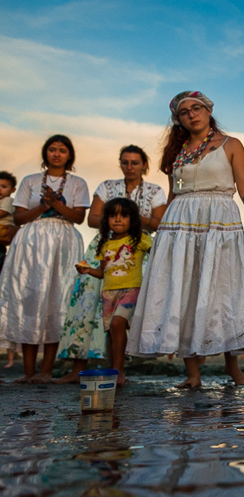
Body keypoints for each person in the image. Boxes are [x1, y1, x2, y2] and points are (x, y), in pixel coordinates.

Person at [127, 91, 244, 388]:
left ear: (208, 110)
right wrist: (163, 235)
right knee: (183, 289)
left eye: (197, 108)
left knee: (224, 290)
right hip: (180, 223)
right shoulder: (176, 153)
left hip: (219, 220)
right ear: (178, 119)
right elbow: (173, 194)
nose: (192, 114)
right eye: (185, 111)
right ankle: (193, 374)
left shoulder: (230, 144)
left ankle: (233, 366)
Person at [56, 145, 167, 383]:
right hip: (104, 247)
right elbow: (92, 219)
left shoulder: (155, 190)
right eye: (125, 162)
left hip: (139, 249)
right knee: (87, 306)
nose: (129, 167)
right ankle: (78, 369)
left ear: (144, 165)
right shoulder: (106, 187)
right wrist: (117, 218)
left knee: (128, 316)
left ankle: (121, 369)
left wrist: (132, 220)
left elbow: (159, 223)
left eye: (135, 162)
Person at [0, 135, 90, 383]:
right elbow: (18, 218)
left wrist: (55, 204)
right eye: (52, 149)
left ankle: (46, 372)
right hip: (31, 241)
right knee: (30, 300)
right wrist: (42, 206)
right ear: (45, 153)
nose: (57, 154)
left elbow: (79, 217)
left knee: (56, 301)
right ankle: (28, 372)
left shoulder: (77, 183)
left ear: (69, 155)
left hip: (63, 241)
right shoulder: (30, 181)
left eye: (62, 150)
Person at [75, 198, 152, 385]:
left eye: (124, 215)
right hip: (108, 293)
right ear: (106, 220)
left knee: (118, 325)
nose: (118, 219)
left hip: (131, 289)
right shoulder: (105, 245)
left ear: (133, 219)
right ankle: (113, 369)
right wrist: (88, 271)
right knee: (111, 332)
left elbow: (158, 254)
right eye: (112, 215)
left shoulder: (140, 239)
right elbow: (103, 272)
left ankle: (119, 371)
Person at [0, 171, 18, 370]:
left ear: (12, 190)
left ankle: (12, 358)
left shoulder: (8, 202)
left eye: (3, 186)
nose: (0, 190)